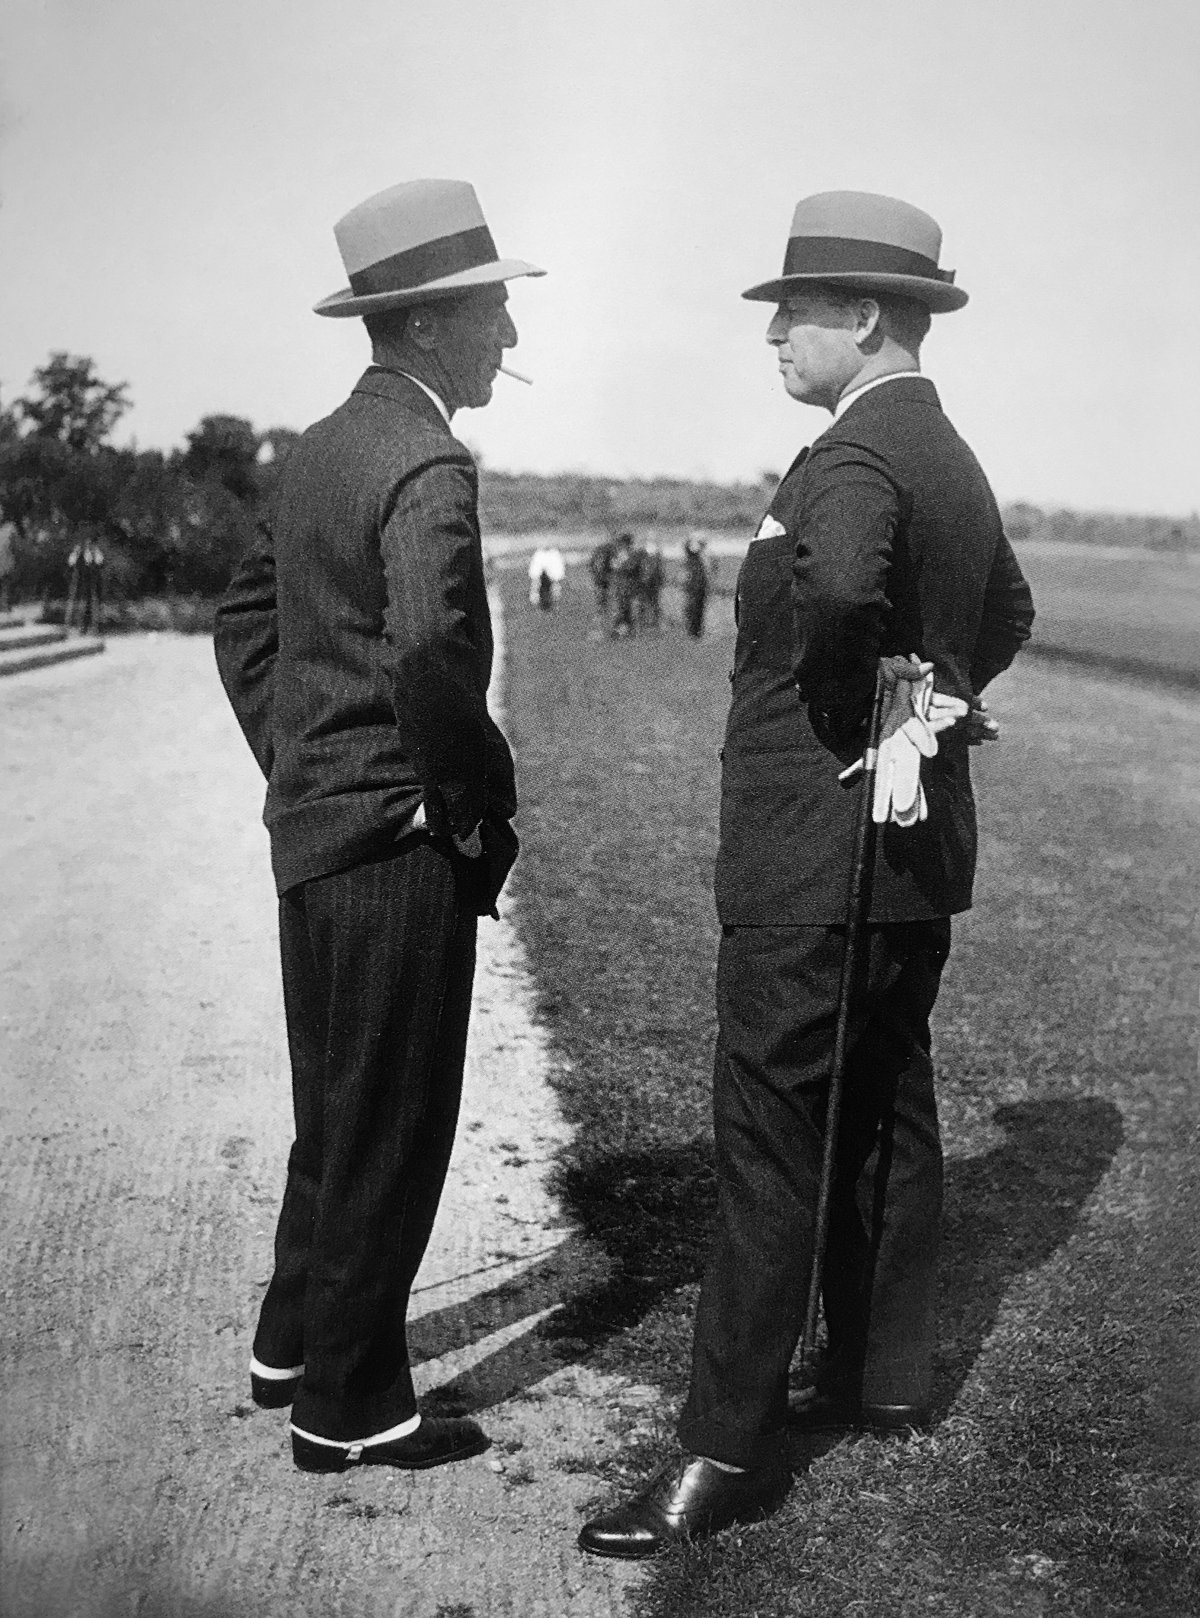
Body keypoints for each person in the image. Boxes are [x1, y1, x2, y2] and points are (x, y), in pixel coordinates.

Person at [579, 190, 1034, 1558]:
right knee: (890, 1105)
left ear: (872, 319)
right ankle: (884, 1377)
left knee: (771, 1144)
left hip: (813, 855)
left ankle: (720, 1447)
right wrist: (932, 703)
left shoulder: (844, 461)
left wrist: (858, 711)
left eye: (798, 308)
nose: (775, 330)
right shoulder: (948, 456)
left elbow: (837, 594)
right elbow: (1007, 612)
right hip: (912, 856)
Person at [214, 178, 543, 1477]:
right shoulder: (426, 462)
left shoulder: (316, 450)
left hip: (316, 833)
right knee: (396, 1119)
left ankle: (293, 1343)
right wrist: (451, 809)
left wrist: (307, 762)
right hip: (393, 846)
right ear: (423, 326)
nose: (508, 340)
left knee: (335, 1106)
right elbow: (430, 652)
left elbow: (245, 621)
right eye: (493, 313)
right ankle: (349, 1403)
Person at [609, 531, 640, 637]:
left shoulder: (632, 555)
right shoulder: (621, 554)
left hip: (628, 587)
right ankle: (621, 631)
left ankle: (625, 631)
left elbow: (632, 568)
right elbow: (613, 566)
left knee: (627, 610)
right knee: (622, 610)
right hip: (622, 587)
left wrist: (621, 564)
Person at [680, 535, 710, 638]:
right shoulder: (693, 557)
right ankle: (692, 631)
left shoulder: (704, 558)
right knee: (691, 609)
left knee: (699, 610)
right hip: (692, 588)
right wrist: (689, 538)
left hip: (701, 588)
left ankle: (697, 631)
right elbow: (686, 547)